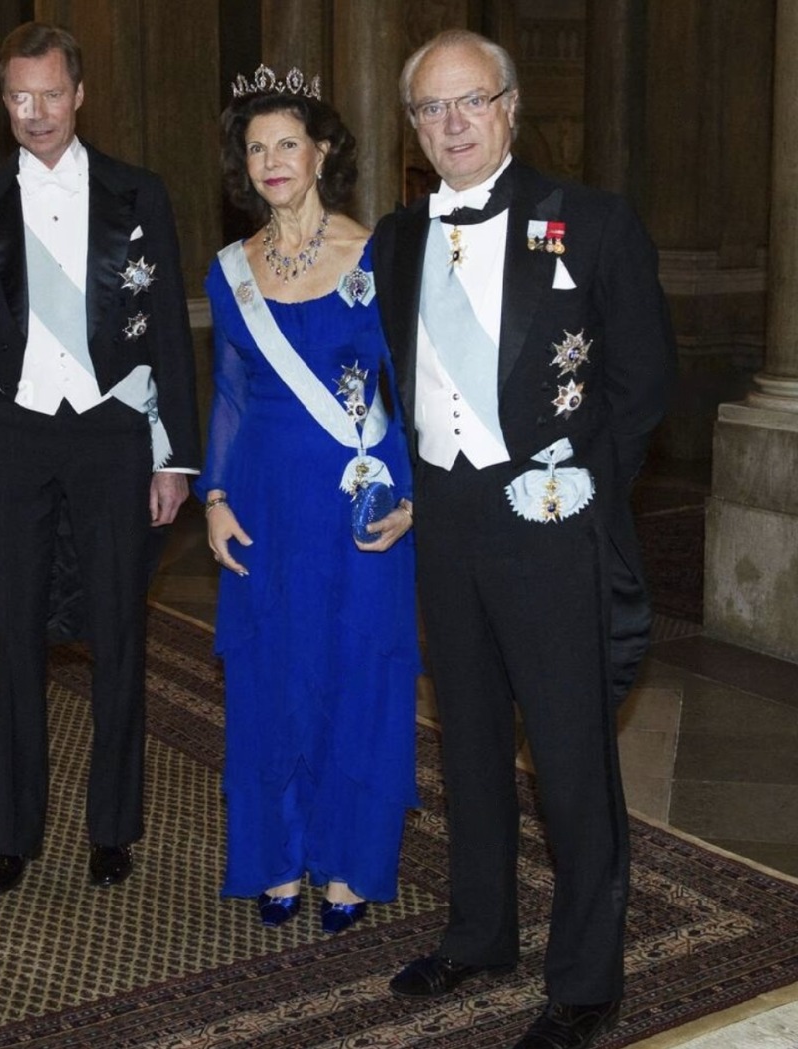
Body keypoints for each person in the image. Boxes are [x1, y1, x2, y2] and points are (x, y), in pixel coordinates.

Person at [375, 30, 676, 1049]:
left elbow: (643, 380)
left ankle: (585, 982)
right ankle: (479, 933)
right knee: (466, 743)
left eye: (471, 100)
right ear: (413, 129)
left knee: (569, 758)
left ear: (509, 107)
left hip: (551, 524)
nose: (452, 123)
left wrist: (586, 487)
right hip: (445, 524)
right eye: (431, 108)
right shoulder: (397, 239)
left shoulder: (589, 221)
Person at [0, 22, 201, 896]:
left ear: (79, 95)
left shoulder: (137, 193)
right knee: (11, 636)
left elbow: (169, 338)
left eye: (49, 94)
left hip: (113, 434)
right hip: (17, 435)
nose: (34, 112)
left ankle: (112, 827)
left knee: (119, 632)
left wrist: (175, 456)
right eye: (18, 97)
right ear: (4, 102)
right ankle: (14, 832)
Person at [199, 67, 420, 935]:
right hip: (264, 496)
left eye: (288, 142)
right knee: (273, 670)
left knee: (358, 666)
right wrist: (215, 496)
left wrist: (415, 498)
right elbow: (229, 392)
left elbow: (410, 388)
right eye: (256, 148)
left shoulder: (377, 254)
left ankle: (351, 860)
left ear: (323, 152)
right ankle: (278, 854)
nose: (272, 161)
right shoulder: (231, 271)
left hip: (357, 496)